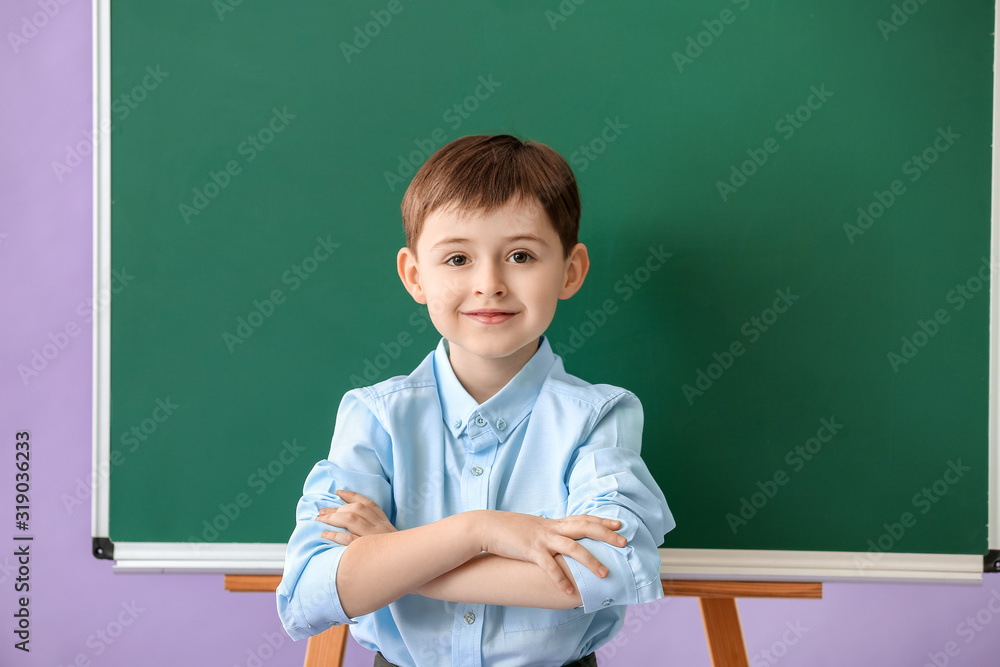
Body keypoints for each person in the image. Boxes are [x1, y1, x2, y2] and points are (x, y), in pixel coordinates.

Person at [276, 134, 674, 666]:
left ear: (571, 271)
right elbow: (312, 593)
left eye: (521, 255)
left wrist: (399, 556)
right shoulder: (376, 416)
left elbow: (603, 570)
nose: (489, 284)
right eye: (458, 257)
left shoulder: (598, 417)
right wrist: (482, 530)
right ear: (415, 275)